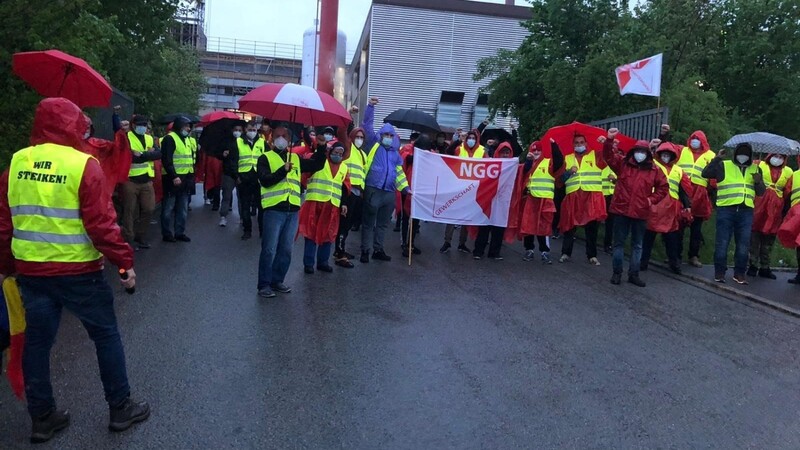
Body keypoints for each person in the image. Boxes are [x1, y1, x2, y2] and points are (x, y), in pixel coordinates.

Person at [0, 98, 148, 443]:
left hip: (32, 273)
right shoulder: (84, 164)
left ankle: (43, 418)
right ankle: (120, 408)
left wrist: (6, 268)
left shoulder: (16, 163)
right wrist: (124, 264)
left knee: (37, 344)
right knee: (105, 336)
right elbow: (102, 225)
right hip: (79, 272)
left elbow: (5, 224)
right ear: (73, 126)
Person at [257, 127, 327, 298]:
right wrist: (283, 170)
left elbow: (317, 164)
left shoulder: (295, 157)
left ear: (289, 140)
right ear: (272, 139)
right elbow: (265, 181)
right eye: (278, 136)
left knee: (286, 249)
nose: (281, 139)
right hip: (274, 209)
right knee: (269, 249)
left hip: (292, 209)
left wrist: (321, 147)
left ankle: (277, 280)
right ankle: (264, 284)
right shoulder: (265, 158)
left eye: (284, 137)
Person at [601, 130, 669, 287]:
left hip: (640, 212)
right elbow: (609, 156)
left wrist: (651, 200)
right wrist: (609, 140)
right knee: (618, 243)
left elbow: (663, 188)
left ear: (648, 154)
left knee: (637, 245)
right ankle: (617, 273)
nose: (640, 154)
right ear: (633, 152)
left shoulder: (654, 170)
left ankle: (634, 274)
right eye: (638, 151)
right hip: (621, 210)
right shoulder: (623, 164)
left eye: (643, 152)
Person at [702, 143, 765, 284]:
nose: (743, 156)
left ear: (750, 155)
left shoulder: (756, 169)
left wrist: (758, 182)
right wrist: (717, 158)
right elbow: (705, 173)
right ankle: (719, 272)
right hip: (726, 209)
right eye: (740, 153)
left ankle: (739, 273)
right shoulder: (724, 165)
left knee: (743, 244)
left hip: (746, 211)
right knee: (722, 242)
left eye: (746, 154)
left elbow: (761, 192)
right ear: (735, 153)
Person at [359, 96, 410, 263]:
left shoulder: (395, 153)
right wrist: (370, 107)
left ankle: (378, 249)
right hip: (373, 189)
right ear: (380, 135)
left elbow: (399, 173)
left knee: (382, 224)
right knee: (368, 223)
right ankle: (365, 250)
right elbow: (367, 126)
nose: (388, 137)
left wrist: (405, 188)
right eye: (385, 134)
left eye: (390, 135)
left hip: (388, 192)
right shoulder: (373, 144)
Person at [640, 142, 692, 274]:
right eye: (663, 154)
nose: (665, 157)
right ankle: (642, 262)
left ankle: (674, 263)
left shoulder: (678, 171)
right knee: (649, 236)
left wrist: (687, 206)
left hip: (670, 207)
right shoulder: (653, 165)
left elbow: (682, 190)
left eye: (668, 154)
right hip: (656, 204)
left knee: (671, 238)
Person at [299, 141, 349, 273]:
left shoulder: (344, 168)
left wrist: (343, 203)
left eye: (340, 153)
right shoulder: (319, 162)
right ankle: (309, 263)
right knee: (311, 233)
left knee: (328, 233)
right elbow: (305, 177)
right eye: (335, 152)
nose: (337, 155)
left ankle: (323, 262)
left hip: (332, 205)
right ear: (330, 151)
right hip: (314, 203)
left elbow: (345, 187)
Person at [558, 134, 608, 265]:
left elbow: (607, 159)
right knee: (569, 225)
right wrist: (569, 172)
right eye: (576, 143)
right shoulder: (567, 159)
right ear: (573, 145)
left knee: (591, 227)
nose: (579, 145)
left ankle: (592, 255)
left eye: (581, 142)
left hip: (590, 196)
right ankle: (565, 253)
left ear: (586, 144)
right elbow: (560, 181)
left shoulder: (595, 155)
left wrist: (606, 143)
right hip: (573, 196)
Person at [747, 153, 792, 279]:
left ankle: (764, 267)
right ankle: (752, 265)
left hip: (776, 208)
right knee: (754, 236)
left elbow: (788, 192)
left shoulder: (788, 172)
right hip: (759, 203)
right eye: (775, 155)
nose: (777, 159)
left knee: (768, 239)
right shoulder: (758, 164)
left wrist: (786, 211)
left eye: (781, 156)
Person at [440, 129, 485, 254]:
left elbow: (488, 165)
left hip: (472, 190)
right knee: (452, 216)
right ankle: (447, 242)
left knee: (466, 218)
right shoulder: (459, 149)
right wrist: (458, 140)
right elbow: (448, 153)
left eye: (473, 138)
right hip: (457, 187)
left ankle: (462, 243)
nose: (471, 140)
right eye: (469, 138)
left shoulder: (482, 151)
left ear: (476, 140)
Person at [676, 130, 717, 267]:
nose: (695, 140)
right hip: (682, 190)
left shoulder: (711, 155)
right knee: (679, 225)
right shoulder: (682, 151)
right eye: (693, 138)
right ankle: (675, 254)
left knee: (696, 227)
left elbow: (714, 176)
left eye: (698, 139)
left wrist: (709, 190)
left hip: (700, 193)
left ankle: (693, 256)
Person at [521, 140, 564, 264]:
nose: (536, 152)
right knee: (528, 226)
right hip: (531, 199)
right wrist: (528, 161)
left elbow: (559, 162)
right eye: (533, 150)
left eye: (538, 150)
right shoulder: (529, 163)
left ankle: (545, 251)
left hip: (545, 200)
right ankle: (529, 249)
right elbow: (523, 174)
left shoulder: (549, 162)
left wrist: (554, 146)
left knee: (544, 227)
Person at [121, 115, 161, 249]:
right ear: (133, 125)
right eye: (140, 124)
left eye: (145, 125)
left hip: (146, 180)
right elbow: (131, 157)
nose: (143, 127)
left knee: (149, 209)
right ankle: (128, 239)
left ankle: (140, 236)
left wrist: (142, 155)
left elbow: (158, 154)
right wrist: (148, 154)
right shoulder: (127, 137)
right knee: (129, 211)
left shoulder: (149, 138)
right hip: (130, 180)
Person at [335, 126, 367, 266]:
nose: (359, 139)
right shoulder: (348, 148)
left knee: (348, 224)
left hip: (357, 192)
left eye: (362, 137)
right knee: (344, 223)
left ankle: (340, 249)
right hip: (347, 190)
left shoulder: (363, 154)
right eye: (357, 136)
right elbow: (341, 132)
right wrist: (349, 116)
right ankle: (340, 254)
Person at [229, 121, 266, 240]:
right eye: (250, 130)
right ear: (245, 130)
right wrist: (236, 177)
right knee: (245, 205)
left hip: (258, 178)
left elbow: (267, 160)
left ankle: (262, 231)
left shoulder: (262, 143)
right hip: (244, 178)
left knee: (261, 207)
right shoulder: (238, 142)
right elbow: (233, 161)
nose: (252, 132)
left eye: (254, 130)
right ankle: (247, 230)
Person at [160, 116, 194, 242]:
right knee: (168, 208)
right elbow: (167, 160)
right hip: (172, 179)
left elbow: (189, 158)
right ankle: (167, 233)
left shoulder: (187, 140)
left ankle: (180, 232)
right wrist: (174, 176)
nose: (188, 128)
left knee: (183, 208)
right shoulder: (170, 139)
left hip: (185, 178)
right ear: (179, 126)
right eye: (186, 126)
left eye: (189, 126)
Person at [400, 135, 428, 257]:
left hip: (419, 189)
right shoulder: (407, 149)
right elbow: (404, 159)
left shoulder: (427, 153)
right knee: (406, 217)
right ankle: (405, 243)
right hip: (407, 188)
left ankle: (411, 243)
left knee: (416, 217)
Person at [219, 125, 243, 227]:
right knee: (226, 196)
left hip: (241, 173)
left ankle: (243, 217)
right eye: (235, 130)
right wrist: (223, 154)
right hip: (229, 173)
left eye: (239, 130)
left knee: (241, 197)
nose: (237, 132)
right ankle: (223, 217)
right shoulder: (227, 142)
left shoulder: (244, 143)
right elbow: (220, 155)